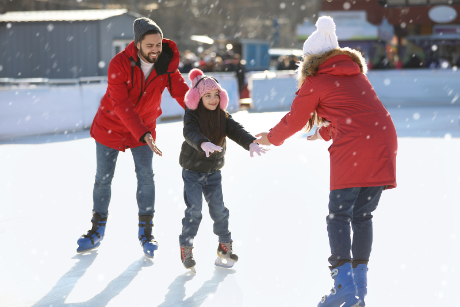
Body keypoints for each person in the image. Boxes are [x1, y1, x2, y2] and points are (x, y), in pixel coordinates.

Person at [255, 16, 397, 307]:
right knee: (362, 216)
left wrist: (271, 137)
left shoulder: (316, 80)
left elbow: (295, 119)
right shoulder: (357, 75)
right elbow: (359, 115)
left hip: (357, 147)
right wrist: (325, 132)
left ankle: (344, 286)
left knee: (339, 215)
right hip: (384, 141)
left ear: (310, 61)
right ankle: (359, 285)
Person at [76, 17, 190, 258]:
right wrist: (144, 134)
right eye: (150, 45)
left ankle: (146, 232)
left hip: (144, 128)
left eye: (158, 44)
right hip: (111, 126)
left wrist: (203, 112)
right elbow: (121, 104)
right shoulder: (119, 63)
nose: (156, 50)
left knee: (146, 177)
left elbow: (181, 92)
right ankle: (97, 229)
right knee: (103, 179)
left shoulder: (165, 62)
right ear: (138, 44)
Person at [178, 68, 267, 272]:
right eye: (207, 95)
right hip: (192, 171)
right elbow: (189, 132)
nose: (212, 99)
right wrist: (202, 143)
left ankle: (224, 246)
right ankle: (187, 247)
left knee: (219, 210)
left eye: (216, 94)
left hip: (213, 173)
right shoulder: (192, 115)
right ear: (197, 98)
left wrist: (251, 143)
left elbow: (236, 130)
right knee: (194, 212)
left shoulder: (222, 116)